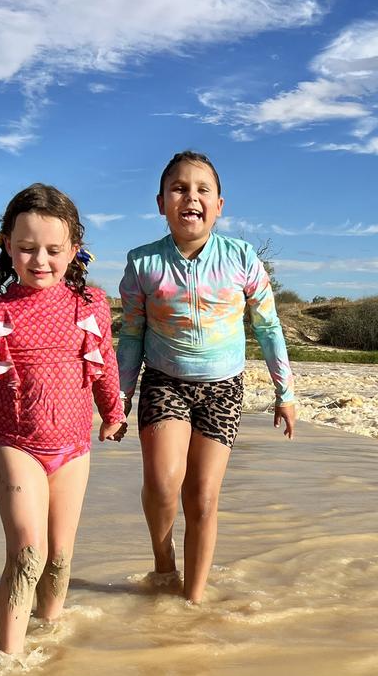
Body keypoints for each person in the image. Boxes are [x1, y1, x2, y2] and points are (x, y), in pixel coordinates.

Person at [117, 150, 296, 604]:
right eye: (178, 188)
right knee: (162, 484)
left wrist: (285, 392)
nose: (190, 197)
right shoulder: (143, 264)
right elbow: (132, 335)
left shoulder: (241, 257)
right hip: (164, 381)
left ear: (219, 205)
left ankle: (191, 605)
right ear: (161, 203)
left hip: (223, 388)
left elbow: (268, 326)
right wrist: (119, 396)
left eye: (202, 190)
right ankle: (163, 559)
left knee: (202, 496)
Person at [0, 183, 125, 655]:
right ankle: (8, 658)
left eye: (53, 250)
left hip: (74, 447)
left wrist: (113, 412)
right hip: (16, 443)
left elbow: (104, 361)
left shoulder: (90, 304)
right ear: (7, 245)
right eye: (27, 248)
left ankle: (49, 640)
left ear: (75, 249)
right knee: (28, 552)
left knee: (59, 555)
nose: (40, 260)